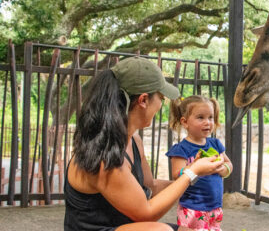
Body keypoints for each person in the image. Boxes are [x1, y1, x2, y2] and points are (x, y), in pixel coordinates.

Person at [64, 57, 225, 231]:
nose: (161, 105)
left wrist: (197, 179)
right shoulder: (105, 155)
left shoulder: (134, 141)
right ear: (143, 100)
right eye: (161, 98)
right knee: (161, 230)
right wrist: (191, 173)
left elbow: (151, 186)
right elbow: (146, 213)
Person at [167, 95, 233, 231]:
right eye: (200, 117)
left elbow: (229, 165)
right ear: (185, 122)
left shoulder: (215, 144)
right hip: (192, 209)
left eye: (210, 117)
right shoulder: (181, 149)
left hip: (215, 207)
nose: (207, 122)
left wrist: (223, 169)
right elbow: (176, 175)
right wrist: (194, 166)